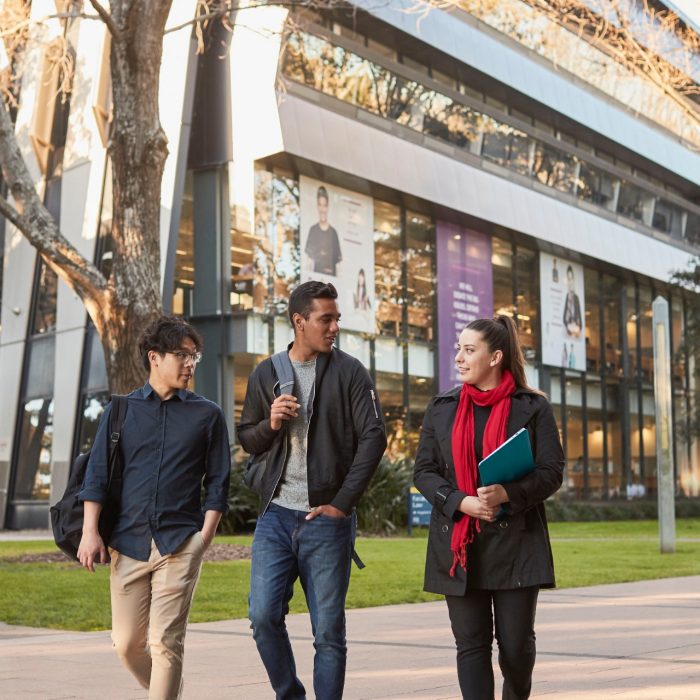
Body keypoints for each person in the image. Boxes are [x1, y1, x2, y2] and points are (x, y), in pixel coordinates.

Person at [238, 280, 386, 700]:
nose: (335, 326)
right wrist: (270, 423)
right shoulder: (266, 373)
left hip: (326, 519)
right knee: (262, 616)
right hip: (276, 516)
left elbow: (374, 438)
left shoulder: (351, 371)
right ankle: (290, 695)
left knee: (328, 633)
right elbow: (248, 439)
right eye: (327, 319)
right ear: (299, 321)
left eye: (337, 318)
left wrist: (341, 505)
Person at [77, 316, 231, 700]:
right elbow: (96, 474)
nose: (190, 364)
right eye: (181, 355)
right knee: (126, 643)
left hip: (179, 541)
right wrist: (90, 531)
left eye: (194, 356)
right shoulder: (121, 410)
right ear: (154, 357)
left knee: (165, 641)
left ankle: (166, 687)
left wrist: (204, 538)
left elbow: (218, 482)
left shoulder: (207, 414)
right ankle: (170, 688)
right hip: (127, 541)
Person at [413, 315, 564, 700]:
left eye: (469, 350)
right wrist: (461, 501)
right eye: (458, 350)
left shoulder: (533, 408)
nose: (459, 359)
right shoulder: (442, 408)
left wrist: (507, 493)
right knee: (472, 645)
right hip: (460, 546)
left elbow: (551, 472)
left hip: (516, 544)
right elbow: (424, 472)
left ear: (495, 356)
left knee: (514, 647)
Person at [305, 185, 342, 276]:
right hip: (316, 284)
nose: (322, 210)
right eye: (320, 205)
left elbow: (338, 266)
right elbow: (309, 262)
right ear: (317, 206)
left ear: (328, 207)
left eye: (325, 205)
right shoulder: (313, 230)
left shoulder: (334, 233)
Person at [562, 265, 582, 337]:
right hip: (569, 332)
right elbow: (565, 319)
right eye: (568, 279)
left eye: (571, 279)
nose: (570, 282)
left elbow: (580, 322)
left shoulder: (576, 298)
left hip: (576, 333)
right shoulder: (566, 297)